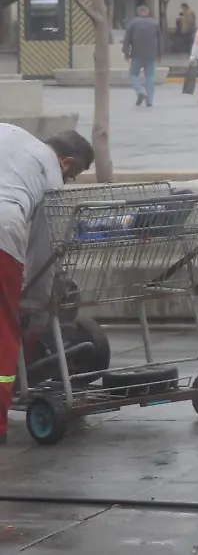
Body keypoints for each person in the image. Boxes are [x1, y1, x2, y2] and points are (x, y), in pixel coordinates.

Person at [0, 128, 92, 445]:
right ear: (66, 163)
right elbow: (45, 252)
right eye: (74, 175)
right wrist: (34, 304)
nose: (68, 182)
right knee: (3, 331)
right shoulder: (51, 175)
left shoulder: (9, 132)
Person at [122, 3, 162, 108]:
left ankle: (140, 91)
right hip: (151, 54)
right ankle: (149, 100)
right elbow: (159, 40)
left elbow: (127, 39)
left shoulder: (132, 23)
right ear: (147, 12)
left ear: (138, 12)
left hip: (137, 54)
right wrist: (160, 54)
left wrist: (126, 52)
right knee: (150, 77)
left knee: (133, 74)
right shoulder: (154, 23)